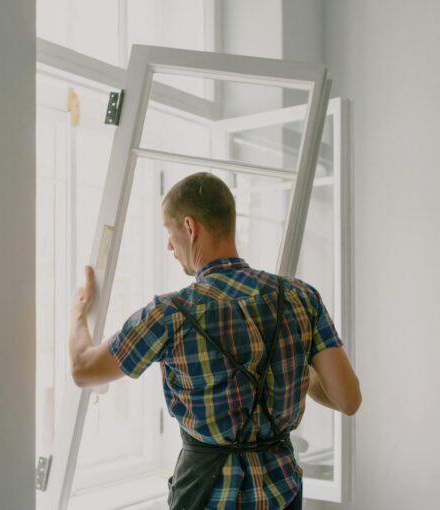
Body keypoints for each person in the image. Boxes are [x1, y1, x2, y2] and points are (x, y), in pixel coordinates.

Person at [68, 172, 361, 509]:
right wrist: (296, 369)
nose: (168, 244)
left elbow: (83, 369)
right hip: (282, 493)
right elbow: (348, 399)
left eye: (169, 231)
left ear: (190, 228)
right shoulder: (299, 297)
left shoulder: (170, 314)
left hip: (206, 496)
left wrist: (78, 314)